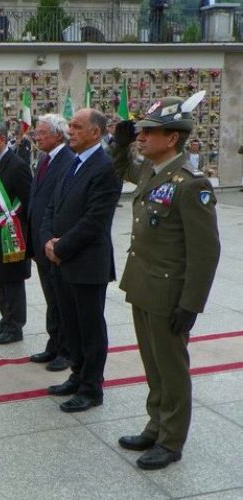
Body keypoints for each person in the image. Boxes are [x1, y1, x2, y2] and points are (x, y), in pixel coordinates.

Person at [110, 93, 220, 470]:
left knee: (172, 370)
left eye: (149, 132)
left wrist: (191, 305)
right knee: (153, 365)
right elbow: (122, 169)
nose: (141, 137)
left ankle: (171, 440)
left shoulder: (190, 184)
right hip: (143, 284)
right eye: (140, 131)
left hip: (170, 293)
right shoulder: (151, 170)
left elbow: (205, 252)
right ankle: (155, 425)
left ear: (172, 138)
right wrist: (119, 144)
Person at [40, 108, 122, 413]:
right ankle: (77, 374)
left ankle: (91, 388)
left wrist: (60, 248)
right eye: (70, 125)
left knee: (90, 329)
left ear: (95, 133)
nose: (70, 130)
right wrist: (48, 240)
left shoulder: (106, 168)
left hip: (86, 263)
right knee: (71, 325)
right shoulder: (72, 162)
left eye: (76, 126)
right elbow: (52, 206)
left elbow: (95, 221)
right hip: (61, 261)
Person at [27, 114, 74, 372]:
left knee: (61, 300)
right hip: (40, 242)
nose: (37, 137)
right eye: (36, 132)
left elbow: (60, 205)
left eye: (42, 133)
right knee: (51, 298)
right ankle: (53, 344)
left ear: (58, 134)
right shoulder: (45, 158)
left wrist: (50, 240)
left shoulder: (67, 160)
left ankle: (66, 350)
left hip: (55, 244)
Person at [0, 121, 32, 345]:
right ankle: (6, 321)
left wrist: (18, 227)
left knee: (12, 282)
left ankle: (15, 326)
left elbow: (28, 200)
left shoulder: (17, 165)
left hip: (11, 234)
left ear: (1, 140)